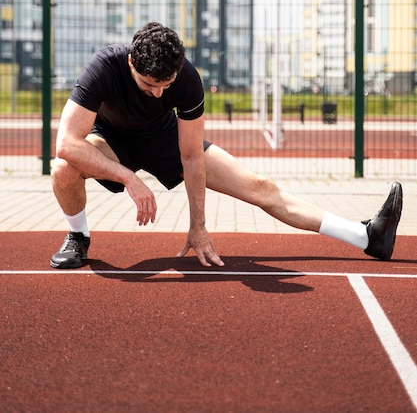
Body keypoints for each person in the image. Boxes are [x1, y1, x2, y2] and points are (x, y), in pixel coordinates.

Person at [50, 22, 403, 269]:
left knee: (262, 187)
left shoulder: (187, 79)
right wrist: (129, 178)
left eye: (165, 84)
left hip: (164, 138)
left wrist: (198, 225)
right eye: (148, 85)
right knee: (63, 167)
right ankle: (78, 237)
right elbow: (67, 142)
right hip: (110, 141)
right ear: (131, 63)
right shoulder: (104, 67)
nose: (159, 92)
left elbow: (190, 156)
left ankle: (366, 236)